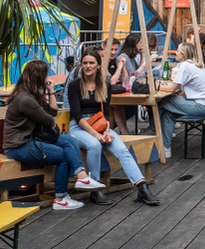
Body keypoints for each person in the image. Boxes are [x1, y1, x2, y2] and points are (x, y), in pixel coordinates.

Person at [2, 59, 103, 210]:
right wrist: (49, 115)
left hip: (30, 140)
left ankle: (82, 177)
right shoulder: (25, 99)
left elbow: (53, 112)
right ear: (38, 77)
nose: (47, 78)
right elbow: (49, 120)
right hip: (18, 146)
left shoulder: (31, 94)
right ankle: (61, 198)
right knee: (63, 155)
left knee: (69, 139)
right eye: (45, 76)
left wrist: (50, 91)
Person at [67, 50, 159, 206]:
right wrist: (97, 135)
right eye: (85, 63)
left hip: (100, 125)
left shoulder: (104, 85)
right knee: (94, 145)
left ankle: (142, 187)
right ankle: (95, 190)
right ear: (81, 65)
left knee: (122, 149)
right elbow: (77, 115)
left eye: (91, 63)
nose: (88, 66)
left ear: (98, 65)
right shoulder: (74, 85)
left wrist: (107, 132)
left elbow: (107, 114)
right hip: (79, 127)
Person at [157, 42, 205, 159]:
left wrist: (157, 85)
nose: (176, 52)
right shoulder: (195, 65)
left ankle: (155, 132)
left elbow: (171, 89)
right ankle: (165, 148)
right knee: (168, 113)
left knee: (164, 101)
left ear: (183, 54)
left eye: (178, 51)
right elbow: (181, 90)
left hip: (203, 105)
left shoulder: (185, 66)